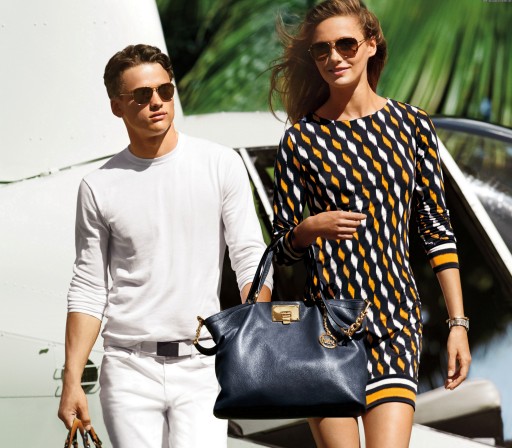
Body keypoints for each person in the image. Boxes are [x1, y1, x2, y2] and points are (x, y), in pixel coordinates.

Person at [268, 1, 471, 447]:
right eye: (322, 50)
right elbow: (280, 249)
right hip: (323, 329)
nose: (334, 57)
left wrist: (458, 323)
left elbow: (436, 229)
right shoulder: (300, 139)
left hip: (395, 320)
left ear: (371, 44)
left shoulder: (413, 125)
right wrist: (310, 228)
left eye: (346, 44)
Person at [57, 43, 272, 448]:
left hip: (201, 363)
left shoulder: (219, 163)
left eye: (165, 90)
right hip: (128, 367)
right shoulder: (99, 185)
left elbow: (249, 255)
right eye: (142, 95)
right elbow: (88, 287)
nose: (156, 101)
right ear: (117, 106)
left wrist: (256, 328)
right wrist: (72, 380)